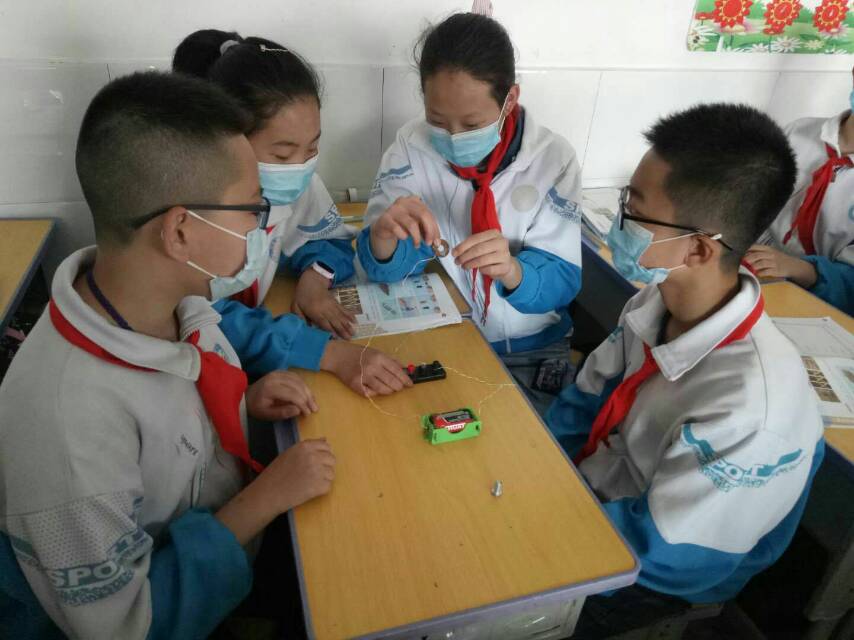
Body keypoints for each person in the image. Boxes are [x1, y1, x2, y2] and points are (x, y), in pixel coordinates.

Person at [0, 71, 335, 639]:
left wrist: (243, 406)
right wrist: (266, 498)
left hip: (228, 531)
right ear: (180, 231)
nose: (261, 224)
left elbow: (174, 438)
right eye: (251, 209)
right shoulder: (66, 423)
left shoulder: (176, 307)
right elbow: (127, 626)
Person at [546, 103, 825, 636]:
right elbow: (586, 398)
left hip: (646, 572)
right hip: (593, 492)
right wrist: (538, 472)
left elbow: (668, 553)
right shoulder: (655, 301)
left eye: (635, 211)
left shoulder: (750, 407)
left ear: (697, 248)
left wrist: (541, 523)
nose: (620, 222)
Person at [356, 8, 583, 412]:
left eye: (472, 124)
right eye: (437, 120)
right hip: (450, 339)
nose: (453, 137)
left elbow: (563, 279)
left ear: (510, 99)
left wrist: (514, 271)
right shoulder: (411, 146)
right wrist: (382, 241)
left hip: (532, 349)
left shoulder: (553, 159)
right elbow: (386, 271)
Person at [174, 29, 412, 397]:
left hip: (249, 380)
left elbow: (327, 240)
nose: (300, 167)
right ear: (224, 141)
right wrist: (325, 353)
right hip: (192, 381)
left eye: (312, 148)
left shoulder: (292, 184)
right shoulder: (189, 214)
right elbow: (204, 321)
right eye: (283, 154)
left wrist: (315, 279)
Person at [745, 65, 854, 315]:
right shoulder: (798, 132)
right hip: (747, 267)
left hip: (819, 305)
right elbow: (749, 197)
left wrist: (798, 268)